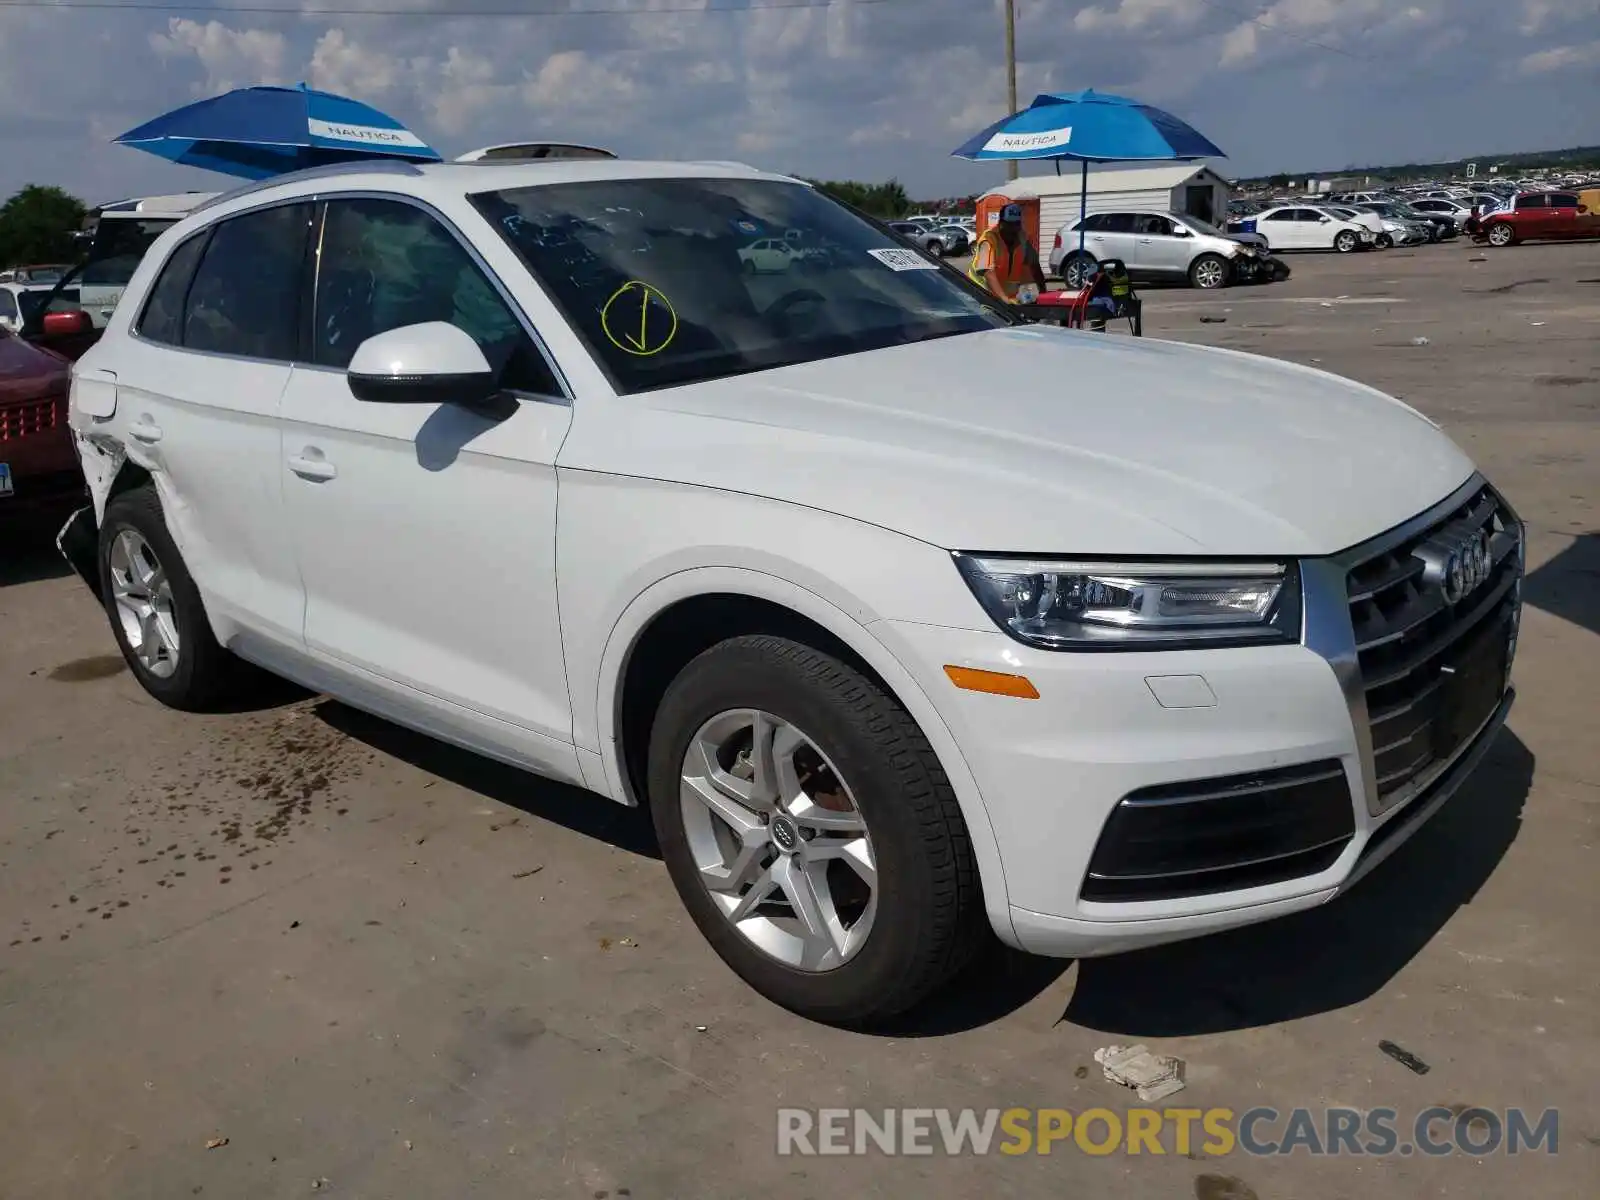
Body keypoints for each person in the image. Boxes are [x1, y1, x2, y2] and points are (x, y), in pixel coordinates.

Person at [968, 203, 1047, 304]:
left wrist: (1044, 295)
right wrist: (1004, 300)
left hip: (1005, 298)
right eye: (1009, 224)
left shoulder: (1023, 239)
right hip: (980, 294)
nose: (1012, 229)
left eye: (1016, 224)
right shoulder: (989, 239)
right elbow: (988, 272)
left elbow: (1034, 266)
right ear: (1001, 223)